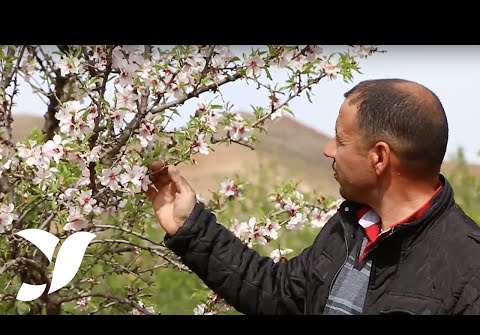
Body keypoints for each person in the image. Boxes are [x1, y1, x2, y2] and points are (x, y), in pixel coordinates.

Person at [145, 78, 480, 315]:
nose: (328, 150)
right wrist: (190, 226)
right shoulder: (350, 228)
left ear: (379, 157)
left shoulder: (468, 271)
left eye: (341, 140)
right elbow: (277, 295)